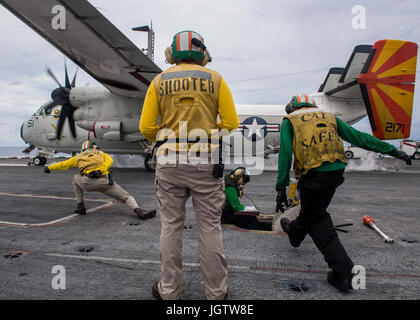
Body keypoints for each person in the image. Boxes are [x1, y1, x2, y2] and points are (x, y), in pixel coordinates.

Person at [140, 30, 239, 300]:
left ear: (172, 53)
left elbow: (146, 127)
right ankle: (217, 293)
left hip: (169, 160)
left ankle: (169, 291)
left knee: (171, 226)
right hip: (206, 160)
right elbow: (231, 123)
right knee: (209, 226)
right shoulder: (215, 78)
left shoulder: (159, 81)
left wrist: (168, 135)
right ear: (202, 53)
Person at [275, 94, 412, 291]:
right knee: (313, 211)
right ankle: (295, 235)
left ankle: (343, 272)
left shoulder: (290, 120)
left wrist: (281, 187)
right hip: (336, 173)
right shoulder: (330, 117)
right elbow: (359, 138)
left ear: (292, 107)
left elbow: (286, 153)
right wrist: (392, 150)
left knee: (318, 219)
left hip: (313, 176)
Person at [44, 140, 156, 220]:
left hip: (87, 183)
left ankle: (80, 206)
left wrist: (49, 168)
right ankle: (138, 211)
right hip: (105, 182)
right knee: (126, 197)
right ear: (94, 147)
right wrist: (100, 169)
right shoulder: (102, 153)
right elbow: (110, 161)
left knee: (75, 178)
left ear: (83, 148)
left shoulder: (79, 156)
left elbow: (63, 164)